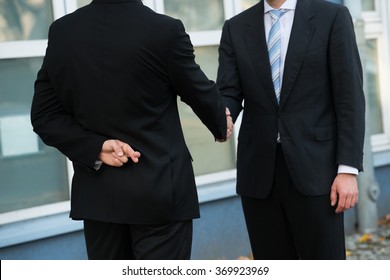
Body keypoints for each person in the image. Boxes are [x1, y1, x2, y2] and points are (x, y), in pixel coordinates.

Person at [31, 0, 232, 260]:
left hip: (98, 199)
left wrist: (96, 147)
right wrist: (220, 120)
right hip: (159, 193)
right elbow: (196, 88)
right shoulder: (164, 30)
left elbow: (44, 116)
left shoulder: (62, 31)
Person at [217, 0, 365, 259]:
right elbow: (229, 91)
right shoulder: (236, 27)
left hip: (318, 170)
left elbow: (349, 97)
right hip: (259, 174)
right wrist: (221, 117)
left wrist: (348, 169)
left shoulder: (332, 17)